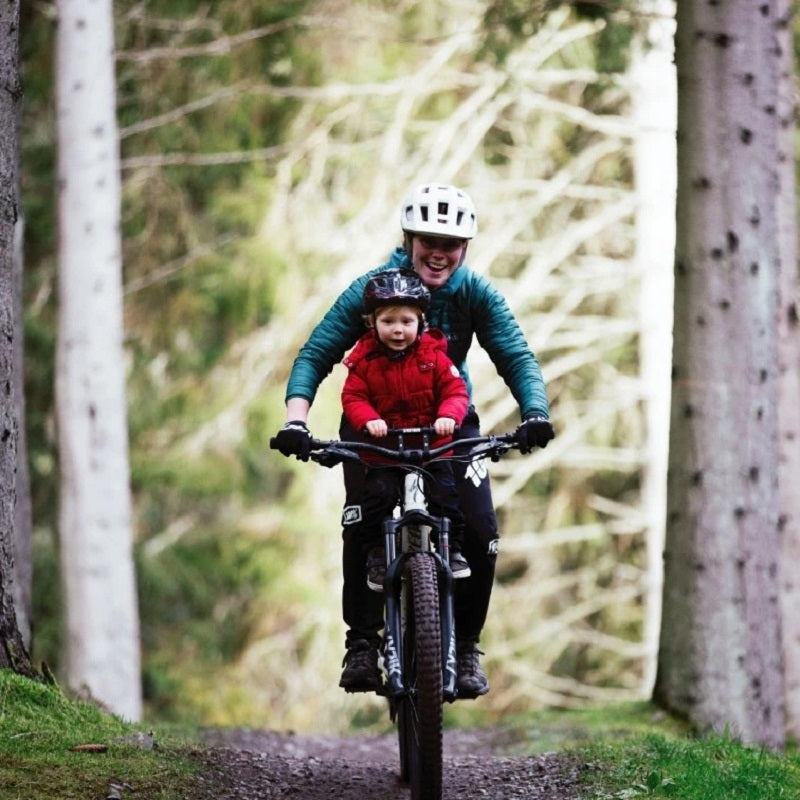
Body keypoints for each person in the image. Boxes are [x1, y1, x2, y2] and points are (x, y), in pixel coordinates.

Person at [273, 182, 554, 698]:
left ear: (465, 248)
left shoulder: (476, 293)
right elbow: (316, 354)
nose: (439, 253)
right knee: (362, 521)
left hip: (448, 421)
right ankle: (362, 644)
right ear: (408, 239)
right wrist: (296, 419)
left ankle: (466, 647)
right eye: (428, 240)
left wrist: (535, 411)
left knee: (480, 529)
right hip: (372, 422)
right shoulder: (372, 290)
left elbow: (516, 355)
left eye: (451, 244)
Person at [341, 269, 471, 606]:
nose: (398, 329)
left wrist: (448, 416)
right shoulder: (364, 362)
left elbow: (456, 391)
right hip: (386, 452)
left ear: (421, 322)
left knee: (446, 495)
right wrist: (369, 421)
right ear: (372, 323)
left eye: (406, 321)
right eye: (388, 321)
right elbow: (353, 397)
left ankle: (452, 548)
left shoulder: (435, 357)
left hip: (432, 448)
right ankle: (376, 555)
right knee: (378, 496)